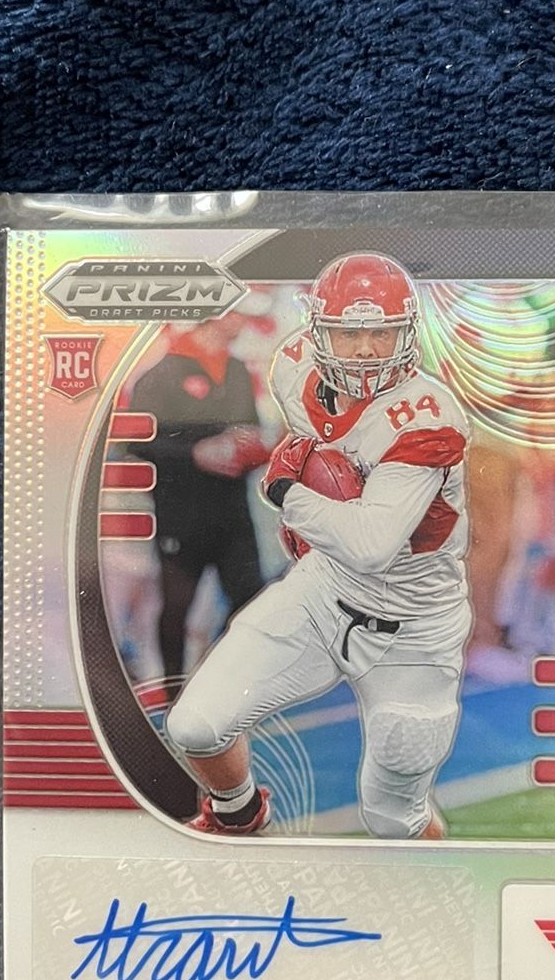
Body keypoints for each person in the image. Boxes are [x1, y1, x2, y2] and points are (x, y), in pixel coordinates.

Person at [164, 254, 471, 839]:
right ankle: (238, 813)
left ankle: (440, 886)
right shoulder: (295, 366)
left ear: (406, 333)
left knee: (394, 819)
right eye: (349, 333)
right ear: (319, 331)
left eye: (381, 333)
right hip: (324, 592)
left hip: (414, 628)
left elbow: (370, 543)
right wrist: (307, 469)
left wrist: (289, 492)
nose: (365, 350)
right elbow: (318, 444)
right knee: (196, 727)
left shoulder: (425, 418)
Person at [124, 315, 268, 688]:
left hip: (233, 511)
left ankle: (212, 681)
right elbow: (137, 443)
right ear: (211, 317)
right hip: (180, 513)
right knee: (177, 606)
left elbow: (249, 429)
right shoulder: (160, 374)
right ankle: (173, 692)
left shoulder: (237, 370)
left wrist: (256, 448)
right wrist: (194, 453)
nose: (243, 317)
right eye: (235, 310)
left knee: (253, 600)